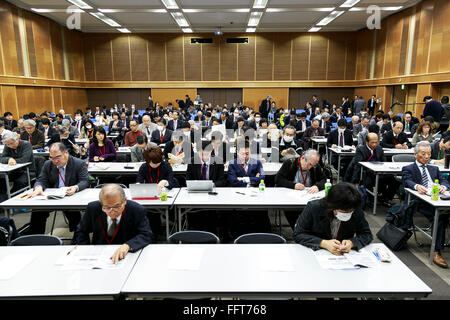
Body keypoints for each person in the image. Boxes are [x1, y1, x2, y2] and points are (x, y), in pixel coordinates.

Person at [75, 184, 153, 264]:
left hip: (127, 255)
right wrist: (85, 250)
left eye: (117, 207)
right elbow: (81, 231)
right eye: (107, 208)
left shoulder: (137, 210)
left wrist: (128, 245)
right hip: (99, 255)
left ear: (125, 201)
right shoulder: (93, 208)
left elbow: (146, 234)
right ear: (101, 204)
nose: (112, 211)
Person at [402, 141, 450, 268]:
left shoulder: (434, 168)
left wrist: (443, 187)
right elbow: (407, 181)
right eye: (423, 154)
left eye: (429, 154)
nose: (427, 156)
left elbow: (444, 180)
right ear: (416, 155)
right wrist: (417, 186)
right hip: (421, 202)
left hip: (438, 198)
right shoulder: (409, 168)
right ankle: (436, 251)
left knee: (444, 215)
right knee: (440, 217)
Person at [27, 142, 89, 235]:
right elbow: (41, 179)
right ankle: (36, 238)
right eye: (52, 157)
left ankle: (78, 238)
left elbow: (84, 181)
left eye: (58, 157)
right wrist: (38, 187)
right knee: (37, 211)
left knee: (74, 212)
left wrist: (75, 187)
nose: (55, 161)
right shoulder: (48, 164)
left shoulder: (78, 163)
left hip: (71, 196)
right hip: (53, 197)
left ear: (66, 153)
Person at [293, 182, 373, 254]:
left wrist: (352, 243)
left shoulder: (354, 208)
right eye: (344, 212)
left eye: (350, 211)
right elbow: (298, 234)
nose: (348, 214)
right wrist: (323, 243)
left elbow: (366, 234)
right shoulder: (314, 208)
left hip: (342, 255)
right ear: (332, 206)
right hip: (316, 252)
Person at [275, 149, 326, 230]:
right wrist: (293, 185)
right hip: (291, 197)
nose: (310, 168)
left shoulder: (315, 167)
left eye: (313, 165)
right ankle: (297, 230)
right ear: (302, 158)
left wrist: (317, 186)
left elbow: (324, 180)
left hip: (309, 197)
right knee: (292, 212)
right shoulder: (289, 163)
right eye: (309, 164)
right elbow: (278, 179)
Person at [0, 131, 36, 202]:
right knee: (1, 180)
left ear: (17, 139)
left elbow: (25, 159)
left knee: (19, 182)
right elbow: (2, 158)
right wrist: (9, 159)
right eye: (7, 144)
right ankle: (3, 200)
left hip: (27, 171)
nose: (10, 146)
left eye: (12, 143)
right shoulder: (7, 145)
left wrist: (14, 161)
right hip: (13, 171)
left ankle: (14, 201)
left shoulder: (26, 144)